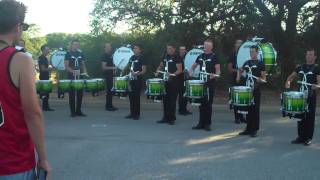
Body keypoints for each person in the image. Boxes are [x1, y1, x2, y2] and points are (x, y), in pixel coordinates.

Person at [0, 0, 51, 178]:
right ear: (17, 27)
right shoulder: (20, 59)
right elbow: (32, 113)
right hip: (14, 162)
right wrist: (43, 158)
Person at [285, 49, 319, 146]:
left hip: (310, 96)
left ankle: (308, 138)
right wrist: (288, 82)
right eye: (307, 54)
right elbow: (291, 77)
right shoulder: (300, 67)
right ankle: (300, 137)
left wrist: (316, 86)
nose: (309, 56)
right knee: (300, 116)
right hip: (300, 96)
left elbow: (319, 83)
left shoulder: (317, 68)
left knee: (309, 117)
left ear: (315, 57)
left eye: (311, 55)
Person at [189, 39, 221, 131]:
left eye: (207, 46)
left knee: (208, 104)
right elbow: (193, 66)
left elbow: (218, 70)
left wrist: (214, 75)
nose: (205, 47)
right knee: (201, 104)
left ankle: (207, 124)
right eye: (204, 45)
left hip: (210, 84)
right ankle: (201, 123)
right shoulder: (200, 56)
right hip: (201, 83)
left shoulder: (214, 57)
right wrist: (191, 71)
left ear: (211, 47)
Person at [237, 45, 267, 137]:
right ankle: (248, 129)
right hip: (247, 89)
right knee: (248, 109)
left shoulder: (260, 63)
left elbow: (264, 78)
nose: (251, 53)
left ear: (257, 53)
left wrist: (260, 79)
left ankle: (254, 129)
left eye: (253, 52)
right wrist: (238, 77)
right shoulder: (247, 62)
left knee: (255, 110)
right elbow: (240, 70)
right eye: (250, 52)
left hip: (256, 89)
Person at [156, 44, 183, 125]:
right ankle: (165, 117)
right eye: (167, 48)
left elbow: (180, 70)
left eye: (170, 48)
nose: (168, 50)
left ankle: (172, 119)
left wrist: (171, 74)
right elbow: (161, 65)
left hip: (174, 82)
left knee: (172, 101)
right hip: (165, 81)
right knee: (165, 100)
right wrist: (157, 71)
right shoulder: (165, 56)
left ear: (174, 49)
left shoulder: (177, 57)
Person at [65, 39, 88, 117]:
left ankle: (78, 110)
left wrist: (85, 71)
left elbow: (83, 64)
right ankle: (72, 112)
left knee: (80, 94)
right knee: (71, 94)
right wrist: (73, 72)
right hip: (71, 76)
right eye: (75, 44)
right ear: (71, 45)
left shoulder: (81, 53)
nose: (76, 45)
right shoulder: (67, 54)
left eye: (77, 44)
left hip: (80, 76)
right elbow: (66, 67)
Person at [124, 44, 147, 120]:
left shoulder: (142, 58)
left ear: (140, 50)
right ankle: (132, 113)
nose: (134, 49)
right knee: (131, 97)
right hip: (131, 80)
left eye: (136, 48)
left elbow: (144, 70)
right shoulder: (132, 57)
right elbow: (127, 66)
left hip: (138, 80)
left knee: (136, 97)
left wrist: (137, 74)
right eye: (134, 48)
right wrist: (123, 71)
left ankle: (136, 114)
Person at [228, 39, 246, 124]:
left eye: (241, 44)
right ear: (235, 45)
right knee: (236, 99)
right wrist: (239, 71)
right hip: (235, 79)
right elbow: (230, 69)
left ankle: (242, 117)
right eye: (238, 43)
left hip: (244, 79)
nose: (240, 45)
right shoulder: (232, 55)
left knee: (243, 98)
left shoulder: (244, 55)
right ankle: (237, 118)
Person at [101, 43, 118, 111]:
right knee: (109, 91)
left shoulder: (111, 55)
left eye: (110, 46)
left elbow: (113, 64)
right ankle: (108, 107)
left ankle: (110, 105)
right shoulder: (104, 55)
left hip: (111, 75)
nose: (109, 48)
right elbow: (104, 67)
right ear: (104, 48)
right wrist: (113, 68)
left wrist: (114, 69)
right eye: (107, 46)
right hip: (107, 75)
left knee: (111, 91)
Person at [38, 44, 54, 111]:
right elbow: (42, 69)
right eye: (47, 50)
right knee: (45, 93)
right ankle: (45, 107)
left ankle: (46, 107)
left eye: (48, 50)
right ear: (42, 50)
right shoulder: (41, 58)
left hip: (45, 77)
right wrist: (50, 69)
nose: (48, 51)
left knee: (46, 93)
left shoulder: (45, 58)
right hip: (43, 77)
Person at [177, 45, 192, 115]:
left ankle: (184, 109)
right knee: (181, 94)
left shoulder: (187, 57)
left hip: (186, 78)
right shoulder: (177, 57)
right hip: (179, 78)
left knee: (185, 94)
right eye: (181, 49)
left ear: (185, 50)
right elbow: (176, 69)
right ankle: (181, 110)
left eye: (183, 49)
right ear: (179, 50)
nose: (182, 51)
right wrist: (183, 71)